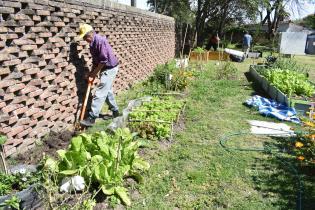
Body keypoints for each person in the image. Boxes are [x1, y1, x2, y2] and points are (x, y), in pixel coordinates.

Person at [78, 24, 120, 127]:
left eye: (85, 37)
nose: (85, 40)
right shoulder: (92, 44)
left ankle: (92, 118)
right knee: (108, 92)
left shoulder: (100, 41)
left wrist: (93, 73)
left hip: (110, 69)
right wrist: (91, 73)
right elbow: (96, 61)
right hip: (105, 68)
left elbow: (103, 60)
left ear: (90, 34)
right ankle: (116, 112)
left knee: (100, 92)